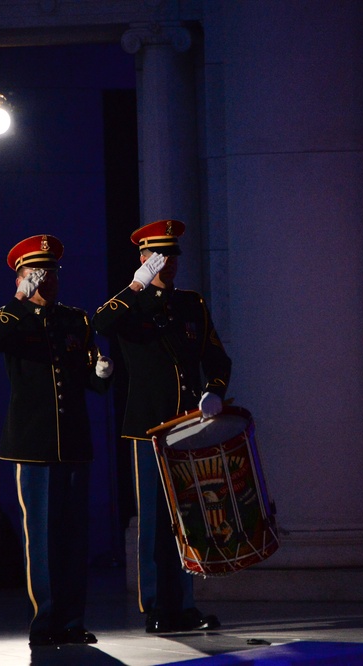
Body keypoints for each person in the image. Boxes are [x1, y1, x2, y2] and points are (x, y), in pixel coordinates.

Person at [92, 219, 231, 634]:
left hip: (189, 423)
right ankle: (155, 604)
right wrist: (136, 286)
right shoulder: (131, 307)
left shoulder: (192, 304)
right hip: (149, 426)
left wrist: (215, 391)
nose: (167, 262)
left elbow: (216, 357)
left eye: (171, 255)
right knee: (153, 522)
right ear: (143, 259)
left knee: (189, 515)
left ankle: (185, 604)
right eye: (158, 256)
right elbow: (101, 325)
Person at [0, 233, 113, 647]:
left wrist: (102, 373)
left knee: (74, 536)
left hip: (73, 442)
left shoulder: (75, 320)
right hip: (33, 445)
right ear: (21, 276)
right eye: (38, 272)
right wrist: (20, 299)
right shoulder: (13, 320)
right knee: (42, 536)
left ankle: (72, 619)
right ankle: (46, 621)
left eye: (51, 271)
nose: (47, 279)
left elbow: (91, 377)